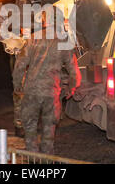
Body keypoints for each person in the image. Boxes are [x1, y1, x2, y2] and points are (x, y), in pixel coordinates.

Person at [12, 11, 81, 154]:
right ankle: (47, 162)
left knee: (30, 131)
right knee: (49, 132)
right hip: (51, 93)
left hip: (31, 92)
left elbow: (19, 66)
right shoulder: (63, 41)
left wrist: (18, 86)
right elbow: (74, 70)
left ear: (44, 21)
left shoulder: (32, 39)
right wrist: (71, 89)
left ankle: (32, 161)